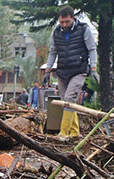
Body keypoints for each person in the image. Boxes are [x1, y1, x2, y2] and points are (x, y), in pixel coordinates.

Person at [45, 5, 97, 137]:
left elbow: (92, 49)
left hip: (79, 70)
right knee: (66, 103)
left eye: (66, 21)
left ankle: (63, 133)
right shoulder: (56, 32)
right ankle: (74, 132)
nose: (64, 25)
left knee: (69, 99)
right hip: (62, 72)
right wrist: (47, 71)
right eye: (61, 22)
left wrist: (94, 68)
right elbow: (52, 52)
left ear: (73, 19)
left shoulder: (84, 29)